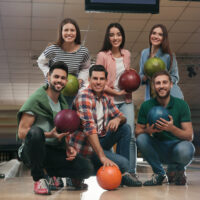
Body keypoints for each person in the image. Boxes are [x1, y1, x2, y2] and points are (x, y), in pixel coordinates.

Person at [17, 61, 94, 195]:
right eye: (56, 77)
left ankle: (53, 176)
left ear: (66, 81)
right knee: (36, 132)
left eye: (63, 78)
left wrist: (69, 147)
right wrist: (48, 135)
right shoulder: (36, 99)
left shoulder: (63, 103)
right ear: (48, 78)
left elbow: (63, 133)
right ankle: (39, 179)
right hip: (31, 151)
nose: (59, 80)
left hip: (51, 151)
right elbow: (22, 132)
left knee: (86, 168)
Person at [70, 65, 142, 187]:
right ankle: (77, 172)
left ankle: (123, 175)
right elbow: (89, 129)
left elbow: (122, 116)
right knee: (124, 164)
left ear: (106, 81)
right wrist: (102, 157)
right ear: (89, 79)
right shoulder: (84, 97)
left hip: (100, 141)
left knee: (125, 128)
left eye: (101, 79)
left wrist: (118, 119)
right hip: (86, 147)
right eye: (95, 79)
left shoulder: (105, 98)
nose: (98, 82)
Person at [135, 70, 195, 186]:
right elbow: (137, 131)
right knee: (141, 138)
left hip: (177, 148)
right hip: (158, 148)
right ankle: (160, 174)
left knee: (187, 148)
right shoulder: (146, 106)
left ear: (171, 84)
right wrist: (149, 131)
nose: (161, 86)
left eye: (164, 82)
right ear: (153, 86)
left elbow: (189, 136)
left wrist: (171, 128)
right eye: (158, 83)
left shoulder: (181, 105)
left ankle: (178, 170)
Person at [96, 23, 138, 180]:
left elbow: (127, 76)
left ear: (122, 36)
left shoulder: (127, 53)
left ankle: (130, 172)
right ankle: (115, 172)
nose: (115, 38)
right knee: (111, 134)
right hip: (109, 101)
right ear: (108, 37)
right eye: (112, 35)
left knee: (131, 135)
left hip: (126, 100)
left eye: (118, 34)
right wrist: (116, 92)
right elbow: (99, 82)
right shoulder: (102, 56)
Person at [37, 18, 90, 107]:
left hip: (71, 87)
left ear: (76, 33)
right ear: (61, 33)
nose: (69, 33)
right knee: (53, 113)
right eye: (66, 30)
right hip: (53, 85)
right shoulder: (53, 49)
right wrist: (49, 74)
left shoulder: (83, 51)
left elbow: (86, 67)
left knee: (66, 112)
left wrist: (80, 80)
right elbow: (41, 62)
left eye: (72, 30)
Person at [139, 24, 184, 101]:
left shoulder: (169, 55)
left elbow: (175, 77)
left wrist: (164, 81)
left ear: (164, 38)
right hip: (152, 95)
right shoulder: (144, 53)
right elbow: (141, 75)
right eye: (154, 33)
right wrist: (145, 77)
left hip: (171, 96)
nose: (156, 36)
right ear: (150, 35)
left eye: (160, 35)